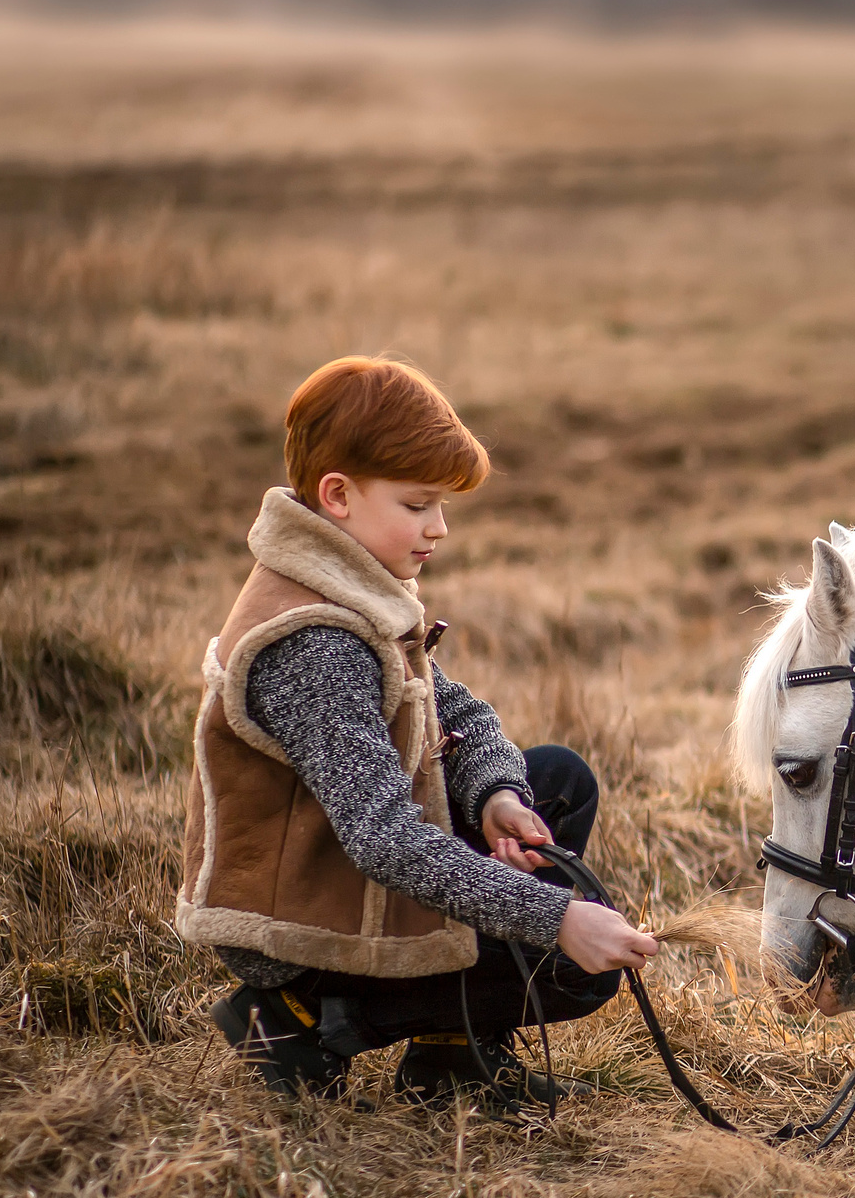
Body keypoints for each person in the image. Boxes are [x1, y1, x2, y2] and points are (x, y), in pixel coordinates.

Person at [176, 355, 657, 1109]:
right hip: (296, 925)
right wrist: (557, 918)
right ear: (337, 494)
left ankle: (449, 1054)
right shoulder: (315, 643)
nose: (439, 527)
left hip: (343, 877)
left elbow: (454, 712)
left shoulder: (359, 588)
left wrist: (496, 793)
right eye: (417, 504)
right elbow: (385, 841)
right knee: (570, 967)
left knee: (556, 779)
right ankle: (296, 1018)